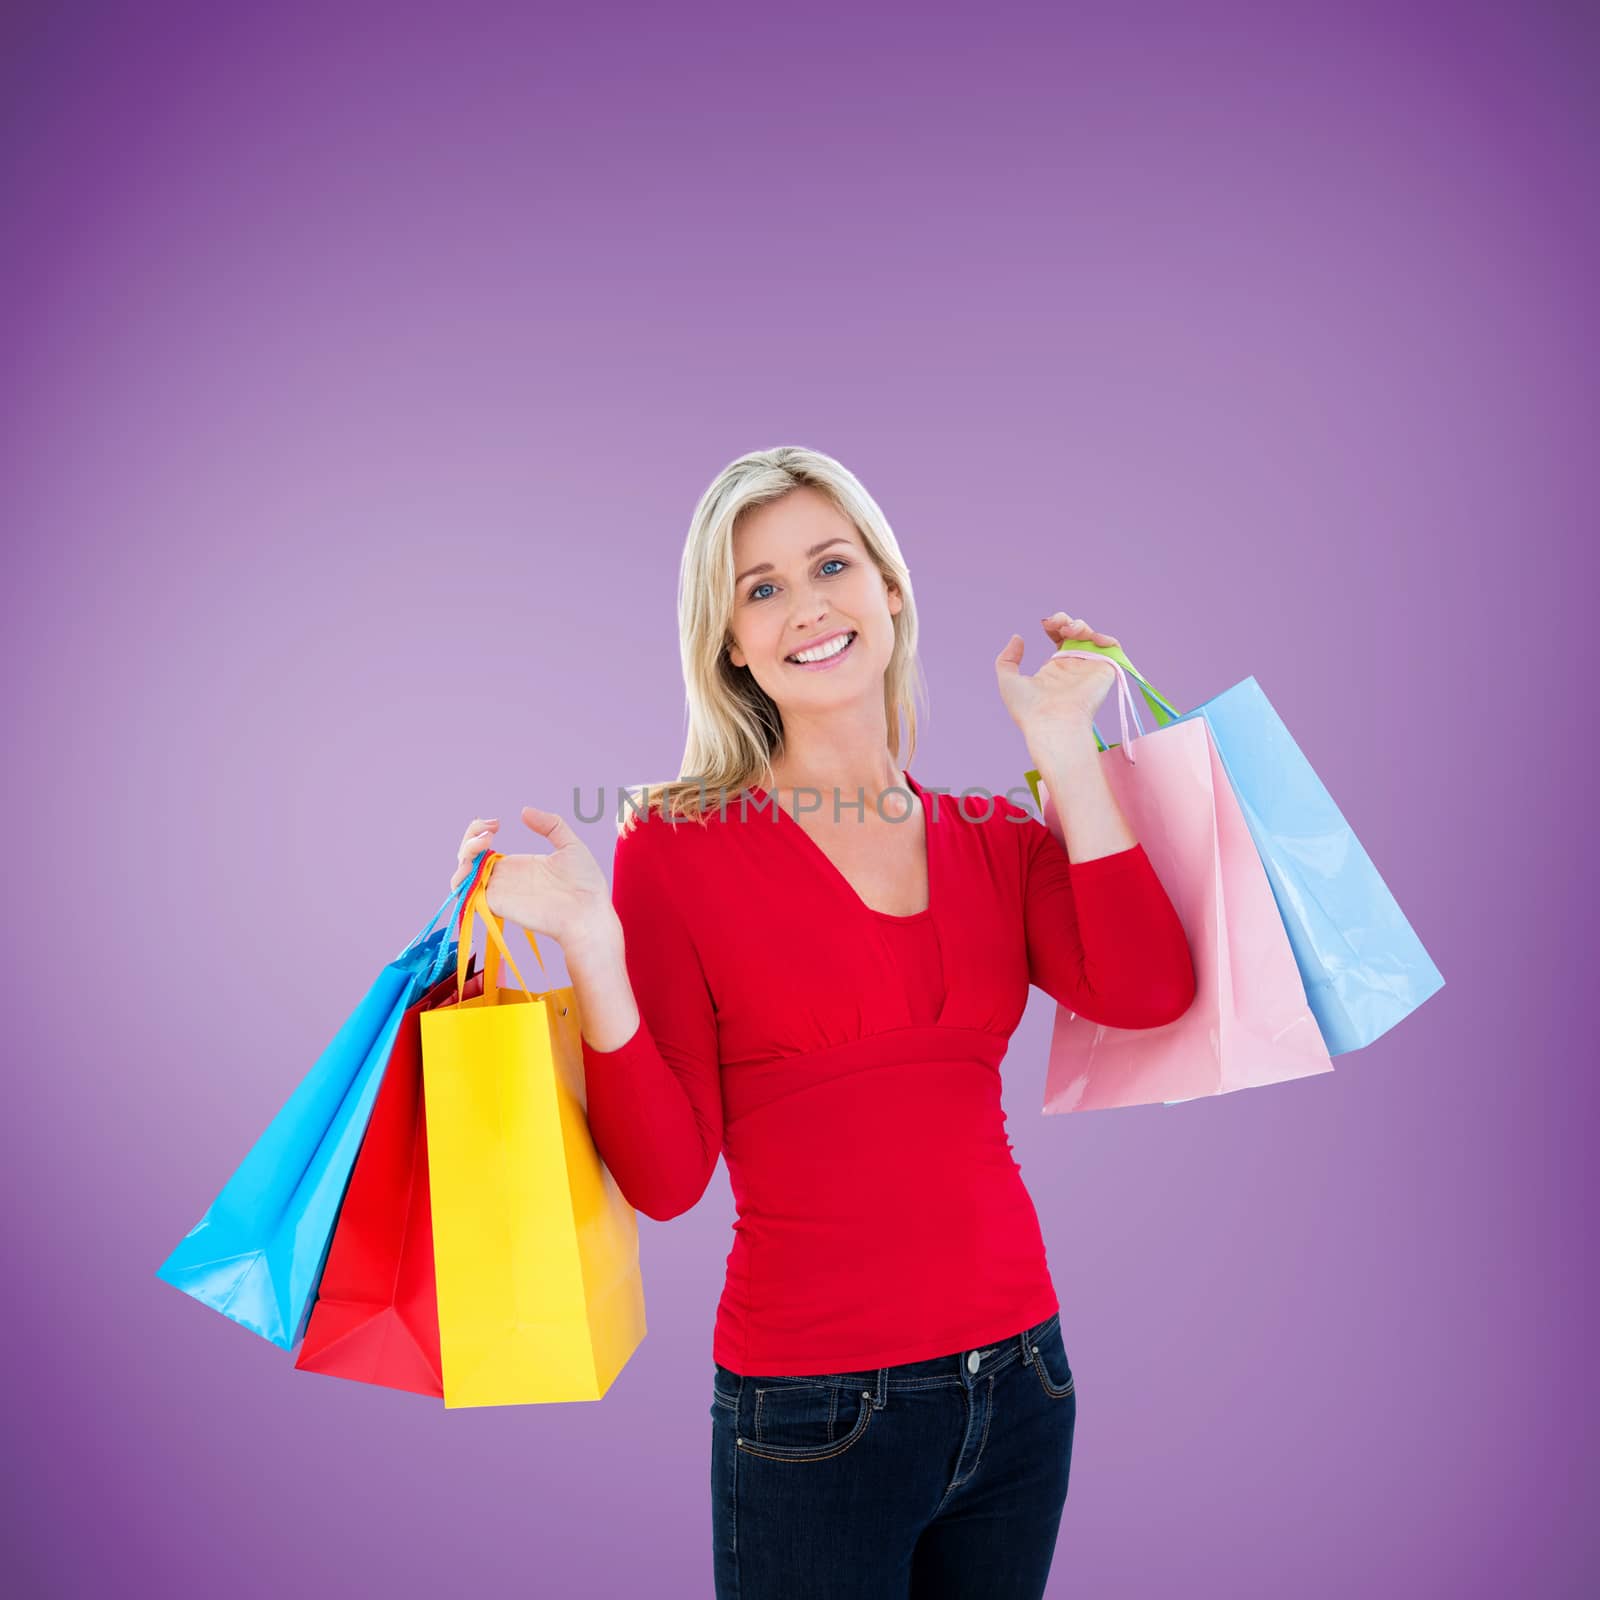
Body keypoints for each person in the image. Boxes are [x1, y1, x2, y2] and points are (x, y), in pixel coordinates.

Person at [446, 446, 1196, 1599]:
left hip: (1023, 1383)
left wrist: (1061, 753)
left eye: (831, 564)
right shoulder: (675, 850)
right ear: (730, 646)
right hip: (809, 1415)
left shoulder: (993, 836)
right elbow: (664, 1176)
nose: (807, 606)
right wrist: (597, 953)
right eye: (761, 588)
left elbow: (1149, 991)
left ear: (890, 590)